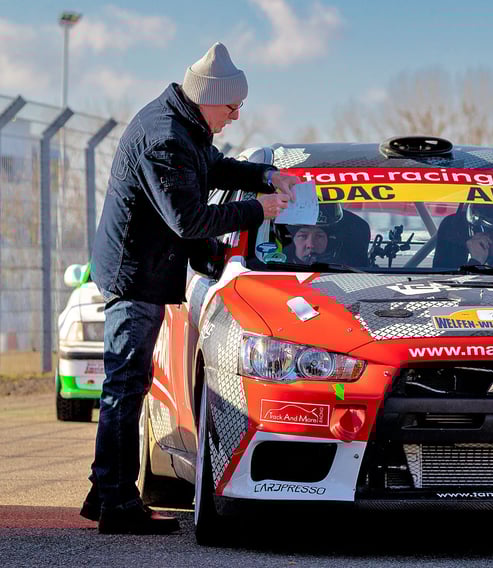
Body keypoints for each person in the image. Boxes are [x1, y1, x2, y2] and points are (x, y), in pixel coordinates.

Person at [84, 42, 300, 534]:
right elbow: (190, 219)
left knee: (125, 386)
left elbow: (215, 167)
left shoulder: (182, 124)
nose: (236, 116)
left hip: (140, 272)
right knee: (125, 387)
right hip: (134, 277)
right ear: (210, 98)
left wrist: (265, 176)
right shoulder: (166, 138)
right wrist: (256, 210)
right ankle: (118, 506)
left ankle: (106, 491)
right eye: (232, 107)